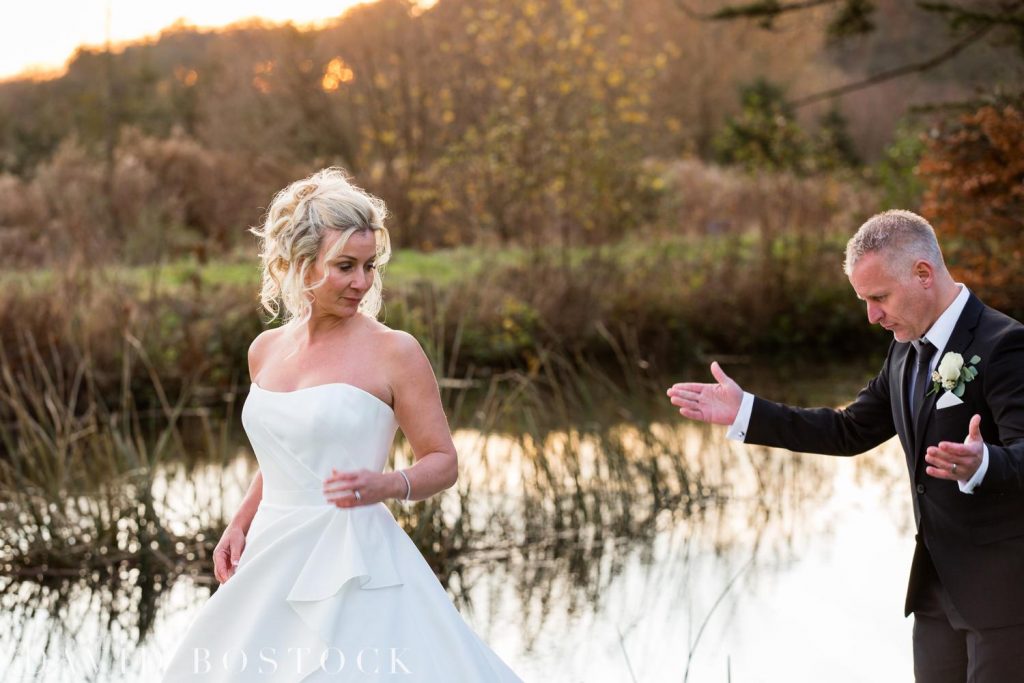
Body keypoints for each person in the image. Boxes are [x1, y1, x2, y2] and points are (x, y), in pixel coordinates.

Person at [162, 168, 522, 681]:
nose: (362, 282)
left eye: (369, 265)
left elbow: (443, 462)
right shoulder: (264, 350)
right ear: (298, 263)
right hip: (269, 554)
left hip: (357, 564)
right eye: (345, 266)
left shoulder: (395, 351)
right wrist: (239, 523)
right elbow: (285, 454)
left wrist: (390, 483)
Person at [667, 210, 1024, 683]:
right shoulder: (904, 347)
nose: (872, 316)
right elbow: (849, 430)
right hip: (936, 594)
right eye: (864, 300)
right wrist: (746, 412)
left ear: (922, 274)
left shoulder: (1005, 346)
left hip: (1004, 599)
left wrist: (982, 464)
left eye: (879, 298)